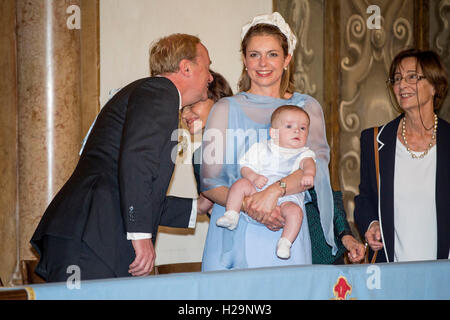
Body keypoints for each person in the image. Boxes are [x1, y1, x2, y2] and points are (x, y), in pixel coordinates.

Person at [30, 33, 213, 282]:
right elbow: (137, 163)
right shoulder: (161, 91)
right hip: (92, 236)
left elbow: (129, 184)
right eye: (207, 66)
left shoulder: (146, 92)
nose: (210, 77)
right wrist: (140, 236)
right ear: (186, 67)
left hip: (90, 234)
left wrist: (196, 207)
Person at [200, 12, 365, 271]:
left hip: (289, 229)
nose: (263, 63)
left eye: (273, 54)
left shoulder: (307, 108)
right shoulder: (223, 109)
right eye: (254, 54)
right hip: (233, 233)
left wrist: (274, 191)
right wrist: (250, 206)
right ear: (244, 59)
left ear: (287, 59)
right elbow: (209, 183)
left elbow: (316, 172)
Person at [354, 49, 450, 263]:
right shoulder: (374, 140)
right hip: (392, 268)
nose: (402, 85)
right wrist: (371, 224)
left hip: (443, 271)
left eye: (412, 77)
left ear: (435, 86)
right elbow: (365, 198)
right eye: (397, 79)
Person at [216, 106, 316, 260]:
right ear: (273, 133)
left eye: (303, 128)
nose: (297, 131)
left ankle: (286, 242)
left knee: (296, 213)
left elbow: (308, 164)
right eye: (289, 126)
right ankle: (231, 214)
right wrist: (253, 176)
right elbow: (245, 166)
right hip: (258, 191)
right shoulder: (262, 147)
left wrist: (309, 173)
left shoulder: (303, 152)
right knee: (240, 185)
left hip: (288, 198)